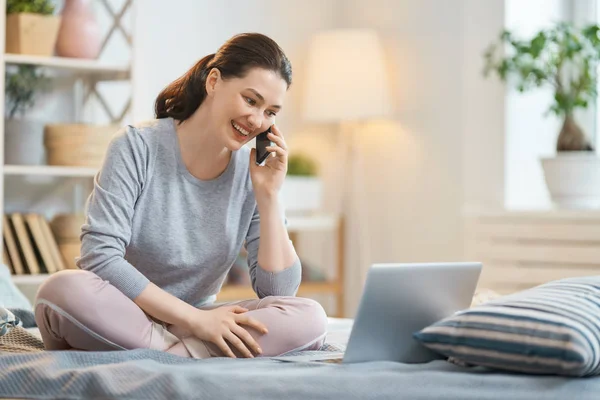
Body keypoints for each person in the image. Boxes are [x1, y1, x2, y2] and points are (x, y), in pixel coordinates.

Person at [34, 33, 328, 359]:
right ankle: (190, 353)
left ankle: (170, 355)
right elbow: (100, 257)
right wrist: (196, 321)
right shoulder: (136, 147)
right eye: (250, 100)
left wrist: (269, 195)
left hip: (193, 323)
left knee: (311, 316)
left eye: (271, 112)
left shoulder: (253, 175)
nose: (257, 121)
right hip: (125, 312)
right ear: (214, 81)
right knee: (60, 291)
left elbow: (278, 292)